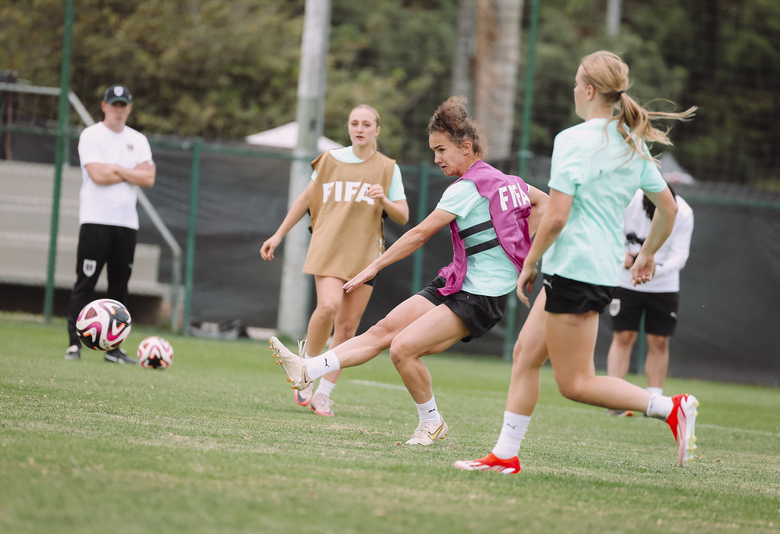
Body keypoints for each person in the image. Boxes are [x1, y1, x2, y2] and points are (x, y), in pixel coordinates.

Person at [454, 51, 699, 474]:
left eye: (574, 83)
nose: (572, 90)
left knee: (576, 383)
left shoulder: (571, 139)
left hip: (577, 271)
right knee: (525, 355)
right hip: (590, 269)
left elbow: (557, 216)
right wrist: (647, 254)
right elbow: (669, 210)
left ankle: (668, 407)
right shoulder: (632, 144)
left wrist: (530, 261)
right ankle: (505, 456)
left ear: (588, 90)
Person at [269, 95, 549, 444]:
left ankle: (431, 423)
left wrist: (373, 266)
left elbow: (417, 234)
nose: (436, 159)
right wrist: (524, 253)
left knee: (402, 349)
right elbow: (544, 203)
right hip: (456, 281)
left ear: (466, 147)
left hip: (479, 296)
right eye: (434, 150)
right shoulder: (507, 180)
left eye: (442, 150)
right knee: (381, 330)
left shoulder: (466, 188)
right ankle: (307, 369)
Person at [261, 105, 410, 416]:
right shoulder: (330, 160)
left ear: (376, 130)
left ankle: (324, 394)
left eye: (366, 124)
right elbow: (305, 199)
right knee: (328, 306)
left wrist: (383, 198)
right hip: (328, 247)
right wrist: (278, 235)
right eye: (354, 123)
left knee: (346, 329)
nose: (359, 128)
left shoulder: (387, 168)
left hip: (366, 256)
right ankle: (305, 371)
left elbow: (404, 215)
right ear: (349, 127)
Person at [64, 84, 156, 364]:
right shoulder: (91, 135)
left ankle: (113, 349)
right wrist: (130, 172)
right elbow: (97, 175)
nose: (118, 109)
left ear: (129, 107)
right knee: (86, 282)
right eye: (113, 104)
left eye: (123, 104)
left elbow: (148, 179)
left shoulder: (138, 140)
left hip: (126, 223)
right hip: (95, 221)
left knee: (120, 286)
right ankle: (73, 344)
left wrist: (114, 167)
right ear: (104, 106)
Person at [605, 185, 694, 416]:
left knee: (659, 341)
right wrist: (620, 257)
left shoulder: (682, 212)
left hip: (663, 284)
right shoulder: (628, 201)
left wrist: (654, 271)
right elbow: (609, 233)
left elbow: (680, 255)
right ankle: (615, 399)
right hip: (626, 282)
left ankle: (656, 402)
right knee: (623, 336)